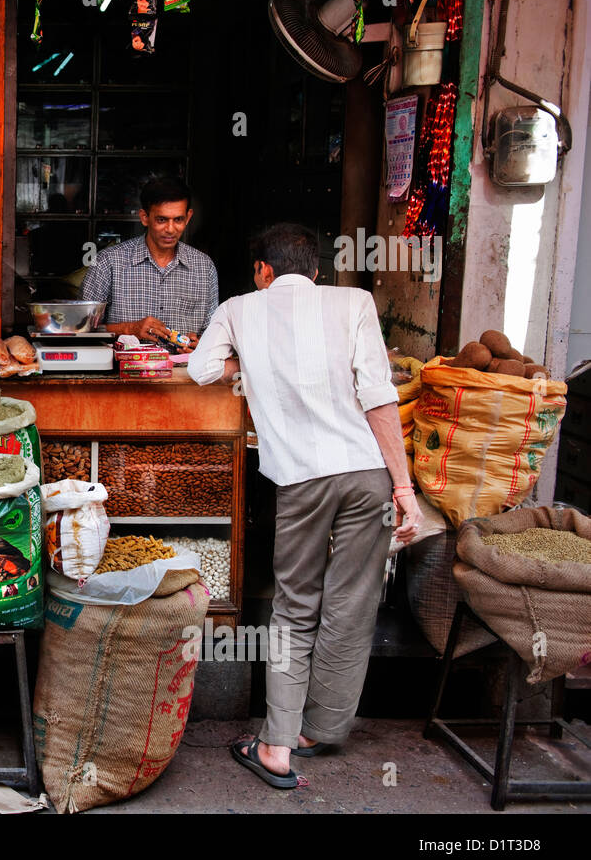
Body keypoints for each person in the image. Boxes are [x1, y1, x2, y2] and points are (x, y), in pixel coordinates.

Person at [187, 223, 422, 790]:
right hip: (367, 476)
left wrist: (250, 367)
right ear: (315, 271)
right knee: (353, 602)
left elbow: (197, 370)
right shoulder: (355, 302)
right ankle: (320, 729)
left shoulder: (240, 309)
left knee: (294, 608)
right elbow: (379, 397)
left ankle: (275, 744)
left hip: (302, 482)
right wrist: (404, 490)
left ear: (262, 271)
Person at [81, 176, 218, 352]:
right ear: (144, 217)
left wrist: (199, 344)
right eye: (161, 220)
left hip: (184, 376)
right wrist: (129, 329)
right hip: (123, 376)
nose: (170, 229)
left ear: (188, 217)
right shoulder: (108, 262)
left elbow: (213, 335)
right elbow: (81, 329)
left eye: (178, 220)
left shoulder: (204, 268)